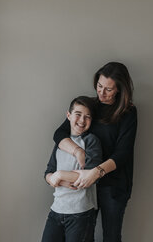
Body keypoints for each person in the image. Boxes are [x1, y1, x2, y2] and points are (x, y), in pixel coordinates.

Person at [53, 62, 137, 242]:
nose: (101, 93)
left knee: (111, 237)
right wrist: (76, 151)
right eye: (99, 86)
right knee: (84, 236)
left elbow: (123, 153)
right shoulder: (89, 106)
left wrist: (96, 172)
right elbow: (59, 134)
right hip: (84, 184)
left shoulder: (128, 112)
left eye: (108, 89)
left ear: (119, 90)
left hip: (113, 185)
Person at [41, 96, 103, 242]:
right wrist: (56, 179)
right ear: (68, 115)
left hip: (81, 213)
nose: (82, 120)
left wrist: (60, 174)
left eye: (87, 117)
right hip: (56, 210)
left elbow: (89, 176)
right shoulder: (61, 143)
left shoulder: (91, 141)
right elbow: (48, 173)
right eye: (78, 114)